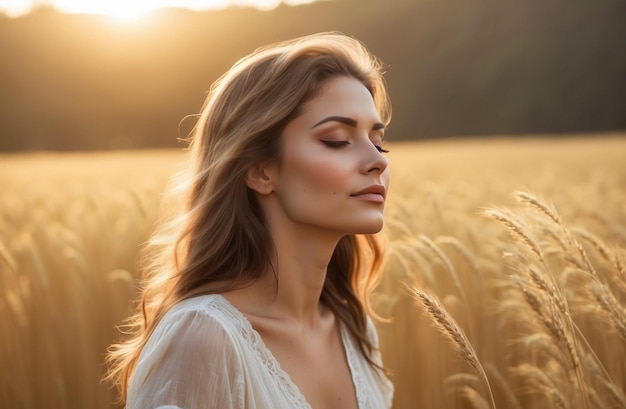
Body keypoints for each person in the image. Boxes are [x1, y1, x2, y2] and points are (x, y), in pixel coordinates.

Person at [105, 32, 394, 409]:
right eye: (337, 139)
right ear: (260, 171)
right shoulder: (205, 338)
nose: (378, 160)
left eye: (378, 140)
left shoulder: (354, 330)